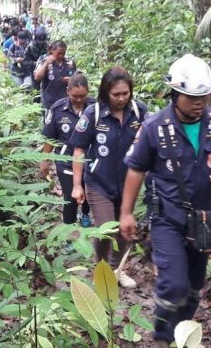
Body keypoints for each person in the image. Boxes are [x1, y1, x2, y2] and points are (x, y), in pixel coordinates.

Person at [119, 54, 211, 347]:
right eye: (191, 96)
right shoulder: (154, 127)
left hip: (204, 217)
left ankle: (181, 336)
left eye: (204, 96)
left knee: (194, 287)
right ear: (175, 93)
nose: (199, 102)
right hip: (167, 217)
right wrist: (126, 213)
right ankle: (161, 338)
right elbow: (136, 169)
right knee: (174, 285)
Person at [70, 66, 147, 289]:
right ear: (106, 92)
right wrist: (77, 185)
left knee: (124, 229)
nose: (121, 98)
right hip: (99, 182)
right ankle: (101, 270)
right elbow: (79, 150)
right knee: (105, 229)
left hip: (128, 183)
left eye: (125, 93)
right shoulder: (93, 114)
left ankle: (116, 270)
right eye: (116, 94)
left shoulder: (138, 111)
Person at [40, 74, 93, 225]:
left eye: (82, 96)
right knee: (70, 198)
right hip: (66, 161)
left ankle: (85, 214)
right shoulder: (57, 109)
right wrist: (45, 160)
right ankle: (68, 230)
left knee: (88, 192)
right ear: (67, 91)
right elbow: (49, 137)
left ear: (88, 92)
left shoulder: (95, 108)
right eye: (75, 95)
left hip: (90, 160)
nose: (78, 99)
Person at [34, 40, 77, 109]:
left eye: (63, 53)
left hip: (66, 101)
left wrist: (71, 80)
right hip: (49, 102)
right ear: (52, 51)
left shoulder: (69, 62)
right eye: (58, 53)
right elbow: (37, 77)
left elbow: (77, 80)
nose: (61, 56)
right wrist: (46, 63)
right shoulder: (43, 60)